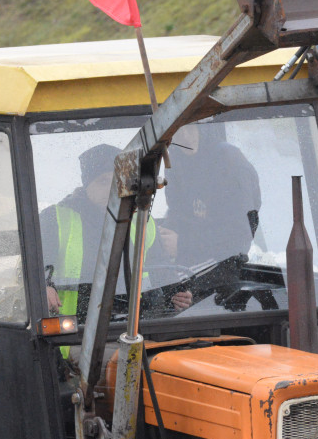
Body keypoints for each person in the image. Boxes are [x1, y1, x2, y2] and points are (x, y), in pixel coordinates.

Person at [39, 144, 191, 320]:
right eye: (103, 181)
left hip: (137, 325)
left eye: (116, 180)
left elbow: (161, 268)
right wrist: (43, 286)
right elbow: (33, 267)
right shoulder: (55, 219)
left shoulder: (141, 218)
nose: (111, 188)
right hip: (77, 332)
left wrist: (176, 293)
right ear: (86, 186)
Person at [158, 122, 261, 269]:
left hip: (227, 265)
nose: (185, 137)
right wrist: (164, 237)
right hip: (192, 260)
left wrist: (182, 244)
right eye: (177, 131)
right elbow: (178, 212)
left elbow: (240, 235)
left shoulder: (229, 161)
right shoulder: (176, 161)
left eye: (189, 127)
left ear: (202, 125)